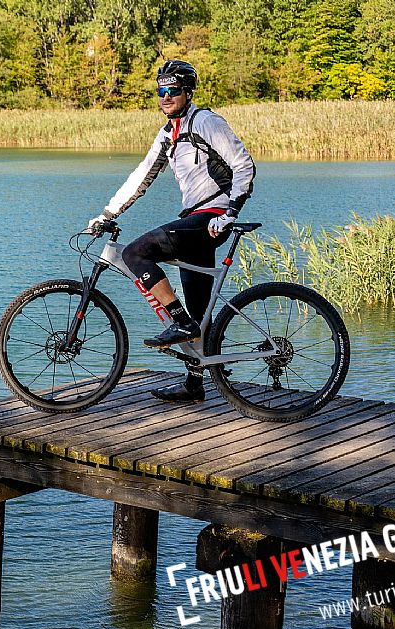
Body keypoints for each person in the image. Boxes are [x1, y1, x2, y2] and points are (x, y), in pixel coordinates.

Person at [88, 59, 255, 403]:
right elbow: (141, 177)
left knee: (136, 253)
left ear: (188, 92)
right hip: (195, 219)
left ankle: (180, 323)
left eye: (172, 90)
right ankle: (195, 386)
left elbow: (244, 165)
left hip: (212, 218)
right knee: (199, 309)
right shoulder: (168, 134)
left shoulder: (205, 122)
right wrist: (107, 213)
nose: (165, 96)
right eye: (160, 91)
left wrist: (230, 212)